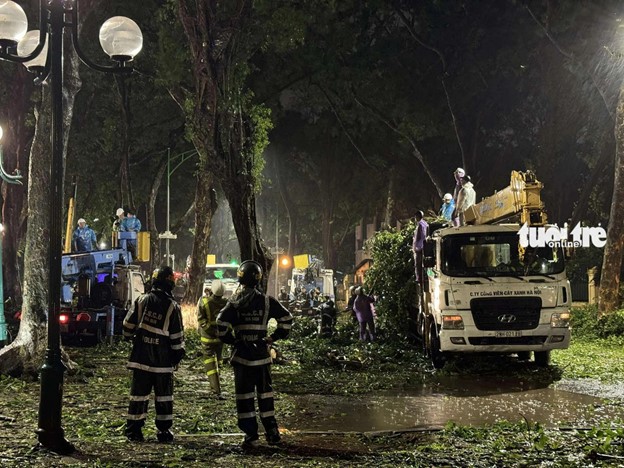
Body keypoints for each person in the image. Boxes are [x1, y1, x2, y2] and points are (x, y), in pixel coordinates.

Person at [216, 260, 293, 450]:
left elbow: (220, 325)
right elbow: (287, 319)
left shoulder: (234, 303)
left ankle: (250, 435)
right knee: (265, 395)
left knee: (244, 397)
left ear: (240, 277)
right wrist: (272, 338)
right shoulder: (267, 302)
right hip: (262, 357)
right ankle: (272, 433)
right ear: (258, 279)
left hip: (242, 358)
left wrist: (233, 341)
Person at [122, 266, 185, 443]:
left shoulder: (141, 300)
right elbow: (177, 338)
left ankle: (134, 431)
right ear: (170, 282)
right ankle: (164, 432)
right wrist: (177, 356)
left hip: (140, 360)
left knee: (138, 396)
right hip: (163, 363)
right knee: (164, 397)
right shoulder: (173, 307)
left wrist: (131, 338)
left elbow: (127, 326)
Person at [197, 281, 226, 398]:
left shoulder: (204, 302)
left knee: (210, 365)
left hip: (208, 339)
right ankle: (218, 384)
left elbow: (201, 320)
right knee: (219, 361)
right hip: (220, 339)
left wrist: (211, 331)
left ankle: (216, 390)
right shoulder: (226, 303)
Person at [412, 210, 428, 284]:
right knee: (423, 265)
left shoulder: (420, 225)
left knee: (418, 265)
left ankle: (419, 279)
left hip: (419, 248)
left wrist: (415, 246)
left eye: (415, 217)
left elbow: (418, 236)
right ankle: (422, 279)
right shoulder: (425, 224)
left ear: (417, 217)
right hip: (424, 246)